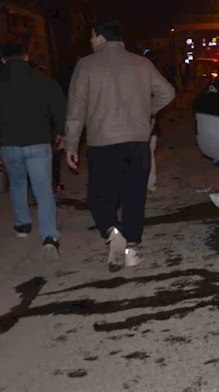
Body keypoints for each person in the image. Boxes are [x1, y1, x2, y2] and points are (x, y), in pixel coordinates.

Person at [65, 20, 175, 272]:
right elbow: (167, 92)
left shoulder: (86, 65)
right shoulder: (142, 63)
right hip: (137, 142)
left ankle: (112, 231)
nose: (91, 42)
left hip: (103, 144)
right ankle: (132, 250)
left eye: (92, 37)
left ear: (101, 38)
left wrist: (71, 144)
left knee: (100, 196)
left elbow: (76, 110)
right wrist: (146, 111)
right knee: (134, 196)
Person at [0, 42, 67, 260]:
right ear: (26, 56)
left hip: (9, 146)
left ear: (2, 59)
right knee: (43, 190)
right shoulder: (42, 79)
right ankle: (49, 236)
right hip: (38, 143)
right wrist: (62, 133)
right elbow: (59, 106)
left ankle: (23, 225)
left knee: (17, 184)